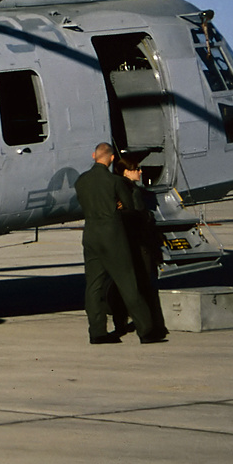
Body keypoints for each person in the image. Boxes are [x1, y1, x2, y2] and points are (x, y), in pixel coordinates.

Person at [74, 143, 164, 344]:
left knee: (94, 285)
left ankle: (97, 332)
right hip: (112, 234)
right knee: (127, 282)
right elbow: (130, 209)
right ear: (112, 158)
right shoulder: (114, 182)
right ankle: (146, 330)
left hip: (90, 233)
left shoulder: (81, 181)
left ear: (93, 155)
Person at [118, 154, 168, 339]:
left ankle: (121, 321)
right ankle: (152, 325)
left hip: (124, 244)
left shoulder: (116, 189)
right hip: (140, 244)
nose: (140, 171)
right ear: (126, 172)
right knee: (146, 285)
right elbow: (140, 216)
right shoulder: (134, 191)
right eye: (136, 169)